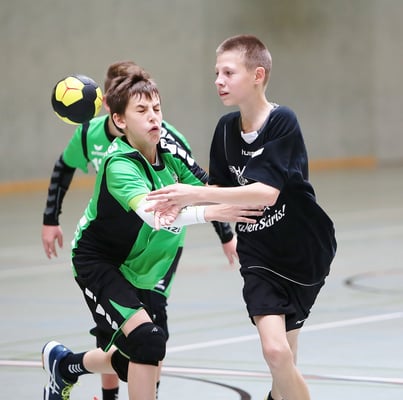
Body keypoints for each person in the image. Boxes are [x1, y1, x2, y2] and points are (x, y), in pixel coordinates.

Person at [41, 70, 262, 400]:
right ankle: (71, 371)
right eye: (142, 111)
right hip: (100, 263)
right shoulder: (118, 164)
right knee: (148, 341)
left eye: (157, 109)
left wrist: (256, 187)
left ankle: (64, 366)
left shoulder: (171, 152)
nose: (153, 117)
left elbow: (210, 187)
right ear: (119, 120)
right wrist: (213, 212)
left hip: (143, 266)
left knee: (138, 355)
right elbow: (155, 216)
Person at [146, 34, 337, 400]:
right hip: (259, 256)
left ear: (257, 75)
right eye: (216, 73)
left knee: (285, 365)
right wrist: (181, 204)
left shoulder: (282, 121)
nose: (219, 80)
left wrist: (193, 194)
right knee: (276, 352)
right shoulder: (224, 130)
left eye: (228, 73)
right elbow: (218, 190)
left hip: (305, 252)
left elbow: (267, 193)